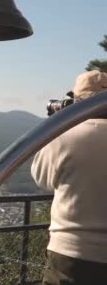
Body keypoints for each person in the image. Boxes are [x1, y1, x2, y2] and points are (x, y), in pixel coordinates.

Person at [31, 70, 107, 284]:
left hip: (71, 254)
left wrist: (58, 124)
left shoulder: (64, 137)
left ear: (76, 102)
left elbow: (42, 178)